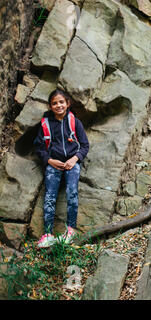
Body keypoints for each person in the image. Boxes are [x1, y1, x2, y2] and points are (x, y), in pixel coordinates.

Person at [34, 89, 89, 248]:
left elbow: (85, 145)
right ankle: (48, 234)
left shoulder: (75, 122)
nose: (58, 105)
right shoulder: (45, 124)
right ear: (50, 106)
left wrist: (74, 159)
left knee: (72, 192)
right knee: (50, 196)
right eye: (54, 103)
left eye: (61, 102)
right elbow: (39, 147)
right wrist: (49, 160)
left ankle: (70, 230)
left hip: (72, 163)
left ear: (67, 103)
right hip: (54, 164)